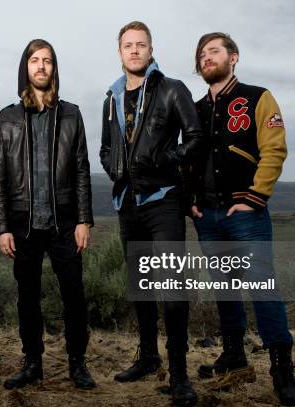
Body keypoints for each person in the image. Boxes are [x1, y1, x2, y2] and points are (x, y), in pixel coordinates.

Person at [191, 32, 295, 406]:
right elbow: (188, 159)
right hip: (207, 216)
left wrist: (256, 196)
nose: (207, 58)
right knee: (224, 288)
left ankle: (282, 371)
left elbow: (275, 148)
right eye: (202, 54)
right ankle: (234, 355)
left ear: (234, 57)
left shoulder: (259, 97)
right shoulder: (195, 109)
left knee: (263, 290)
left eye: (215, 51)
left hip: (246, 213)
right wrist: (191, 200)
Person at [99, 21, 205, 406]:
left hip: (164, 200)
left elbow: (196, 139)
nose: (134, 51)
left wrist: (165, 160)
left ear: (150, 49)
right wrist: (115, 170)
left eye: (140, 45)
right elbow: (105, 148)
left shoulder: (172, 89)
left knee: (172, 289)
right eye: (127, 45)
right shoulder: (111, 98)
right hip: (127, 203)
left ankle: (179, 375)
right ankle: (147, 358)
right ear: (120, 51)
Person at [0, 39, 95, 390]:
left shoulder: (71, 114)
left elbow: (81, 168)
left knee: (74, 296)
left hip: (64, 222)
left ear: (54, 69)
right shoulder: (6, 118)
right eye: (34, 60)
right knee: (28, 297)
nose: (41, 66)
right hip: (22, 224)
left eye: (47, 61)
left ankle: (78, 365)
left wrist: (84, 219)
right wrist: (3, 228)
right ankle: (32, 364)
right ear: (26, 68)